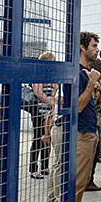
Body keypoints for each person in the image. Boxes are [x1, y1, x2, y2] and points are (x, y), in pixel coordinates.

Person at [70, 31, 101, 202]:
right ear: (82, 47)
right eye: (93, 45)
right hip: (80, 133)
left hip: (89, 132)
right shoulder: (76, 74)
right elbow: (77, 106)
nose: (97, 49)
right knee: (75, 182)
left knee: (81, 182)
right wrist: (92, 83)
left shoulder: (85, 72)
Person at [30, 51, 58, 179]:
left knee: (48, 138)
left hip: (50, 112)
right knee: (38, 138)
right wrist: (50, 102)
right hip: (39, 111)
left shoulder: (52, 75)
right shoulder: (38, 74)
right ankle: (33, 168)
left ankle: (45, 166)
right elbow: (37, 92)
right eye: (53, 60)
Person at [86, 57, 101, 192]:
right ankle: (89, 180)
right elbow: (92, 102)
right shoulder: (96, 84)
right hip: (94, 122)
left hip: (93, 121)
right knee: (92, 154)